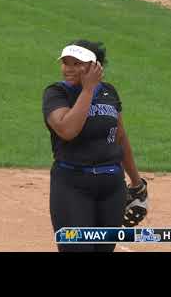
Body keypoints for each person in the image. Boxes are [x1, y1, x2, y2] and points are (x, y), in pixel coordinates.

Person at [42, 39, 148, 252]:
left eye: (76, 63)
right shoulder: (56, 93)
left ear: (95, 66)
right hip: (72, 186)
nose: (68, 69)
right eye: (65, 63)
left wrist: (137, 184)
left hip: (111, 187)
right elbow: (67, 130)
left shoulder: (109, 92)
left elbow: (119, 137)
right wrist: (88, 91)